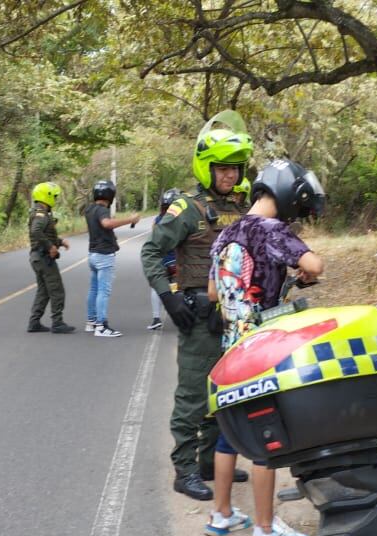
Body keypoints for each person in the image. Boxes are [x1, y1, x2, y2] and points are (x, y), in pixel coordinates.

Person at [204, 158, 326, 536]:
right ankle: (264, 529)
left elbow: (211, 293)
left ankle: (221, 515)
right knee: (266, 438)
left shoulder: (227, 233)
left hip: (230, 349)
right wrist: (302, 271)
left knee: (229, 435)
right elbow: (315, 263)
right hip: (261, 350)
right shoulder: (271, 229)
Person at [141, 111, 254, 501]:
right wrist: (169, 297)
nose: (230, 176)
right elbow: (152, 252)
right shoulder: (187, 209)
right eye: (223, 169)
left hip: (235, 319)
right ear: (207, 168)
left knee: (227, 393)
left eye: (235, 169)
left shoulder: (243, 208)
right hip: (199, 317)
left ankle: (210, 461)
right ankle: (185, 469)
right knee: (192, 396)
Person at [84, 180, 140, 338]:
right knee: (103, 291)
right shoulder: (102, 210)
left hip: (93, 255)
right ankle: (101, 326)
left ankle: (91, 321)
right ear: (110, 195)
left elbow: (100, 228)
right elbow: (106, 224)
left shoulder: (89, 209)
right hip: (103, 256)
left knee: (94, 289)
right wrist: (130, 219)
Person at [27, 181, 75, 334]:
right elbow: (36, 231)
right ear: (46, 196)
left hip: (37, 257)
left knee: (44, 291)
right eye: (54, 195)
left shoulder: (39, 211)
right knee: (56, 290)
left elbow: (44, 233)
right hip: (43, 258)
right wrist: (51, 247)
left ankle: (34, 322)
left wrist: (60, 242)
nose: (55, 198)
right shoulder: (41, 213)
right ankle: (57, 322)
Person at [147, 188, 183, 331]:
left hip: (160, 260)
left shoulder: (157, 220)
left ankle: (156, 318)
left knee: (156, 287)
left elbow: (153, 240)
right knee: (181, 287)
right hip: (175, 260)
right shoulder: (180, 219)